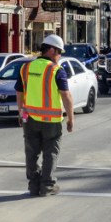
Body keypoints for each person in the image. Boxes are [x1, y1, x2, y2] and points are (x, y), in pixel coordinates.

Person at [15, 34, 75, 197]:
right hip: (51, 121)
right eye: (59, 52)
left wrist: (21, 113)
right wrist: (70, 118)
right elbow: (66, 95)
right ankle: (47, 186)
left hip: (30, 118)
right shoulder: (56, 70)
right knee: (50, 153)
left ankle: (34, 186)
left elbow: (19, 93)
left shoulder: (26, 68)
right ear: (51, 50)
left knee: (31, 152)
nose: (59, 56)